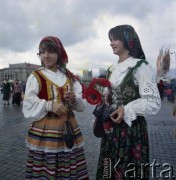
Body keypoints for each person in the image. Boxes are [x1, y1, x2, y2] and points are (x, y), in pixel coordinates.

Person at [95, 25, 161, 179]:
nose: (111, 43)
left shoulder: (140, 66)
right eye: (110, 40)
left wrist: (126, 109)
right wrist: (103, 100)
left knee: (127, 171)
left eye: (115, 39)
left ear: (127, 40)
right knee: (108, 168)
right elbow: (109, 95)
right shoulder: (111, 69)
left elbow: (153, 102)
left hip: (131, 130)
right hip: (111, 128)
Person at [22, 36, 89, 179]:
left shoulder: (70, 77)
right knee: (46, 167)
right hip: (45, 131)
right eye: (42, 52)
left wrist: (74, 101)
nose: (46, 56)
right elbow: (28, 103)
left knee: (69, 165)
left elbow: (82, 106)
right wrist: (49, 105)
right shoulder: (36, 76)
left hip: (68, 128)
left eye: (50, 51)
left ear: (59, 54)